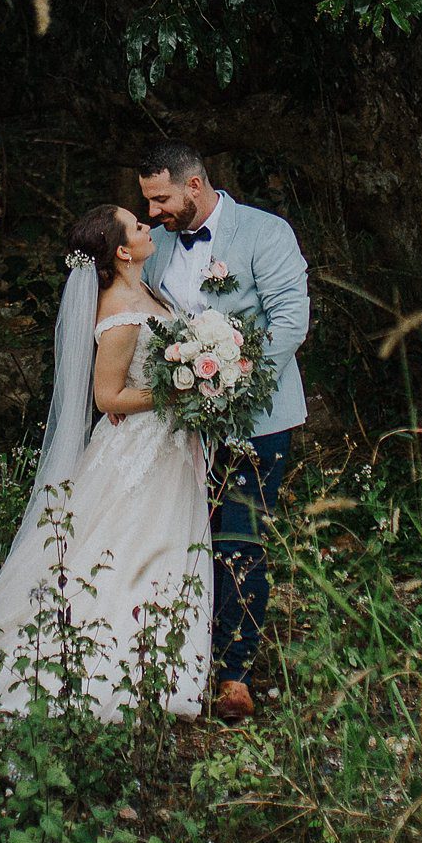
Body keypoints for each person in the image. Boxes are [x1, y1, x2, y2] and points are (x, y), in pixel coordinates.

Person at [0, 205, 214, 718]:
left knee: (164, 543)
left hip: (170, 446)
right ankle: (118, 663)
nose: (147, 228)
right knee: (132, 544)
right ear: (120, 250)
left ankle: (169, 656)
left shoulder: (147, 290)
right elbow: (108, 398)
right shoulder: (117, 310)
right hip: (139, 447)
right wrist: (178, 393)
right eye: (138, 226)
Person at [136, 140, 310, 723]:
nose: (153, 212)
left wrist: (234, 383)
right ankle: (182, 656)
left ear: (193, 185)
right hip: (177, 424)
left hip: (255, 418)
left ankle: (235, 673)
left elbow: (291, 319)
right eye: (147, 202)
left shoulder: (266, 233)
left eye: (160, 198)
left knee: (240, 539)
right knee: (183, 535)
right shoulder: (155, 243)